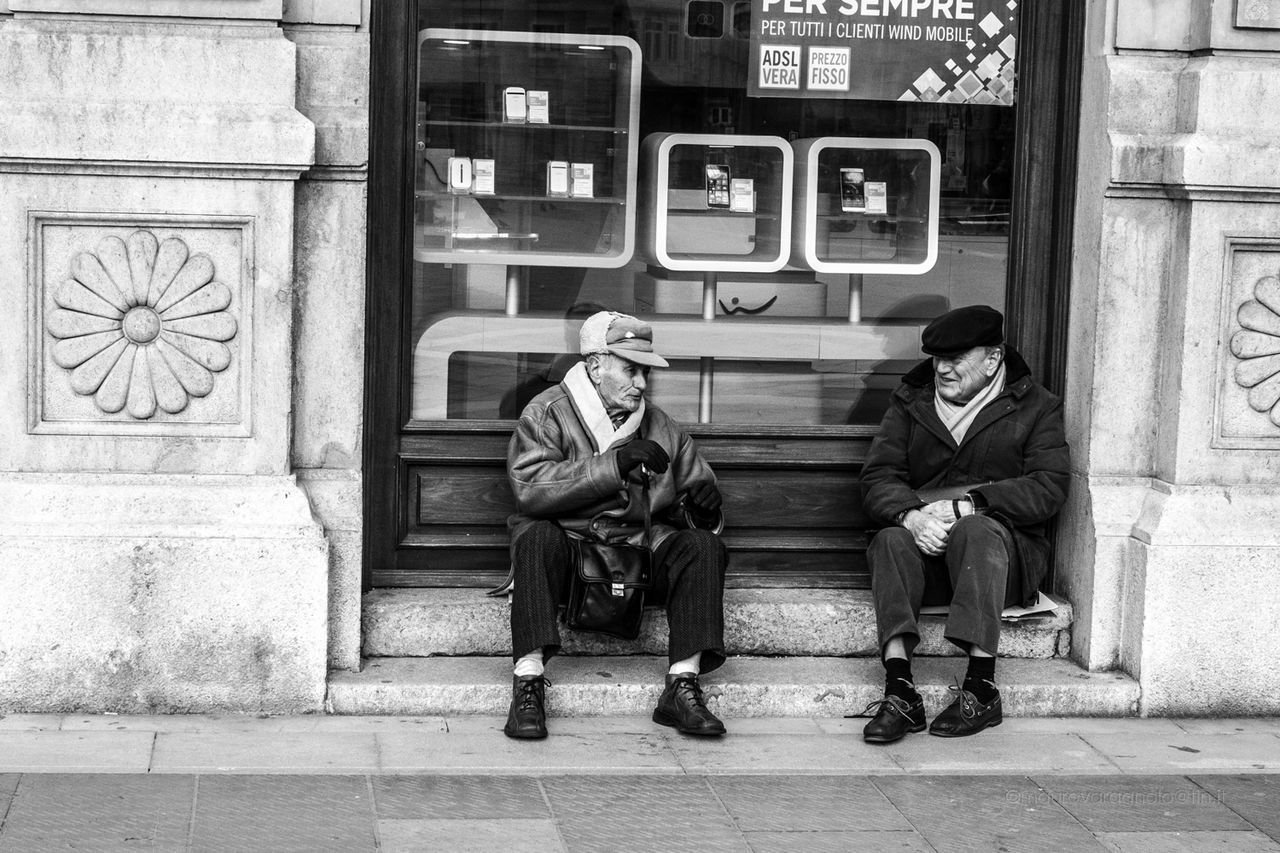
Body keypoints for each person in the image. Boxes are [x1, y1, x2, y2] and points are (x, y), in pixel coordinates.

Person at [503, 310, 728, 740]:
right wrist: (614, 463)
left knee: (703, 547)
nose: (641, 384)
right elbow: (529, 489)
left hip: (639, 554)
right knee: (533, 537)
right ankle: (528, 682)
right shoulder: (547, 412)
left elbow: (693, 502)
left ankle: (682, 685)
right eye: (631, 370)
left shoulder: (662, 426)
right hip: (570, 550)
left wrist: (703, 511)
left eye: (644, 372)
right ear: (595, 366)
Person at [858, 305, 1069, 742]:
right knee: (889, 541)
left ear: (992, 360)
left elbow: (1048, 487)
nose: (942, 369)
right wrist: (911, 517)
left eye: (956, 359)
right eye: (938, 358)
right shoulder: (911, 399)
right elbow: (878, 476)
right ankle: (900, 691)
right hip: (928, 556)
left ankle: (981, 687)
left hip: (996, 560)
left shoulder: (1036, 406)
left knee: (976, 530)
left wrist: (971, 505)